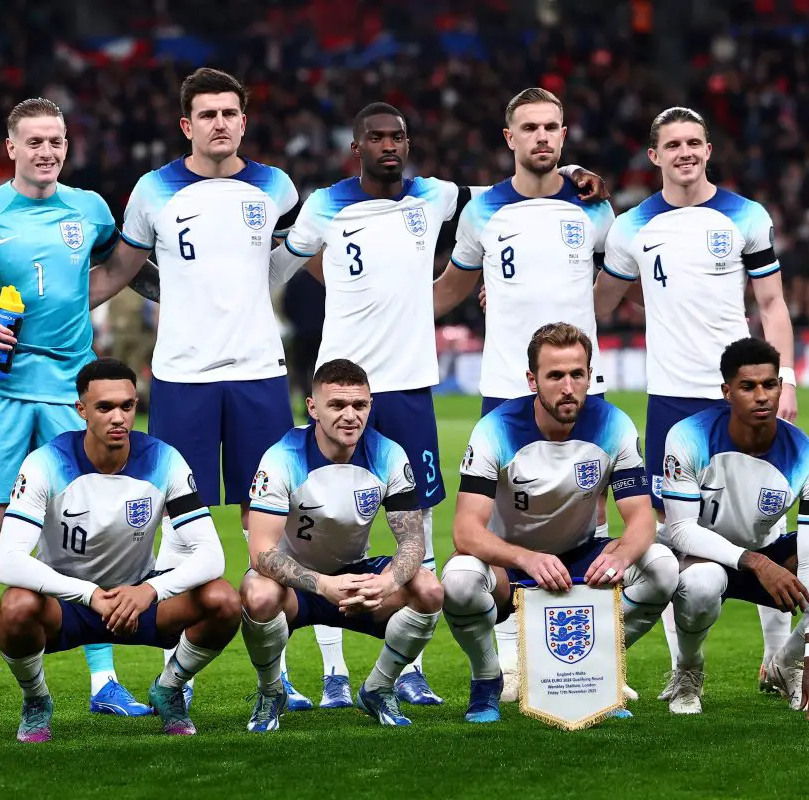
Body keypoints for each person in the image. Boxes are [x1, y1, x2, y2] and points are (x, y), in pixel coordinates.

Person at [0, 98, 157, 721]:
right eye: (35, 141)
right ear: (12, 147)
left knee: (83, 527)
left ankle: (103, 680)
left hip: (66, 389)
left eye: (56, 141)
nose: (47, 151)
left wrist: (95, 300)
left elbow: (122, 265)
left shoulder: (90, 208)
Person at [87, 67, 310, 705]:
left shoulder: (276, 186)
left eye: (229, 113)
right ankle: (172, 678)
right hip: (183, 375)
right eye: (206, 114)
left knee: (270, 526)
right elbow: (121, 271)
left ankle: (277, 678)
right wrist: (56, 308)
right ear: (187, 125)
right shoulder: (153, 190)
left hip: (260, 374)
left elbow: (299, 255)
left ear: (243, 120)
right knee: (175, 529)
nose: (219, 123)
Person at [594, 106, 800, 688]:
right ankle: (687, 668)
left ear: (708, 150)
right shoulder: (632, 227)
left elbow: (772, 306)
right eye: (673, 144)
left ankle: (776, 663)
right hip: (672, 403)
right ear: (654, 156)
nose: (685, 152)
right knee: (674, 537)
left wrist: (786, 384)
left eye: (695, 142)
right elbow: (599, 303)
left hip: (742, 393)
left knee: (765, 524)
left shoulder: (745, 216)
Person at [431, 88, 616, 702]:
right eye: (530, 127)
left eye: (552, 127)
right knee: (507, 521)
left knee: (592, 515)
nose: (542, 137)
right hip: (506, 386)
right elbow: (451, 286)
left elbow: (609, 285)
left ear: (565, 136)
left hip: (579, 384)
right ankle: (512, 653)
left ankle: (596, 663)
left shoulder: (597, 210)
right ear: (508, 137)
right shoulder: (483, 211)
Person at [0, 359, 240, 741]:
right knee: (14, 607)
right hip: (69, 603)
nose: (118, 417)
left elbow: (212, 554)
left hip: (137, 599)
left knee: (223, 599)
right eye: (105, 407)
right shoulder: (46, 463)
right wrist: (91, 596)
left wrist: (150, 591)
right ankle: (36, 700)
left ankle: (170, 686)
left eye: (127, 406)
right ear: (82, 410)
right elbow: (7, 563)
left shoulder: (163, 459)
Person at [442, 323, 677, 723]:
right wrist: (527, 558)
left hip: (580, 558)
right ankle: (487, 680)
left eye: (577, 374)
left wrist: (621, 554)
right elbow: (465, 530)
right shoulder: (495, 429)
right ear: (533, 380)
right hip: (509, 562)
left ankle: (599, 672)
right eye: (555, 376)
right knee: (458, 580)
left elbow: (640, 518)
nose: (568, 386)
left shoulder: (614, 425)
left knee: (662, 566)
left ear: (589, 376)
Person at [660, 338, 809, 718]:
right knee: (701, 585)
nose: (762, 396)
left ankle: (784, 664)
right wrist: (755, 562)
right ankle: (688, 670)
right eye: (748, 386)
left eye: (770, 385)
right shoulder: (687, 436)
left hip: (769, 557)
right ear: (727, 392)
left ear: (780, 386)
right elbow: (680, 531)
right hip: (703, 557)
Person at [240, 359, 444, 731]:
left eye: (359, 405)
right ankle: (271, 692)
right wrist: (321, 585)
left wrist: (389, 581)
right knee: (257, 594)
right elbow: (261, 553)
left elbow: (413, 542)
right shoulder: (282, 457)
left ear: (370, 406)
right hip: (295, 584)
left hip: (354, 578)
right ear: (313, 407)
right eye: (337, 405)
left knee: (429, 589)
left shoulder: (388, 454)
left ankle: (378, 687)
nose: (350, 416)